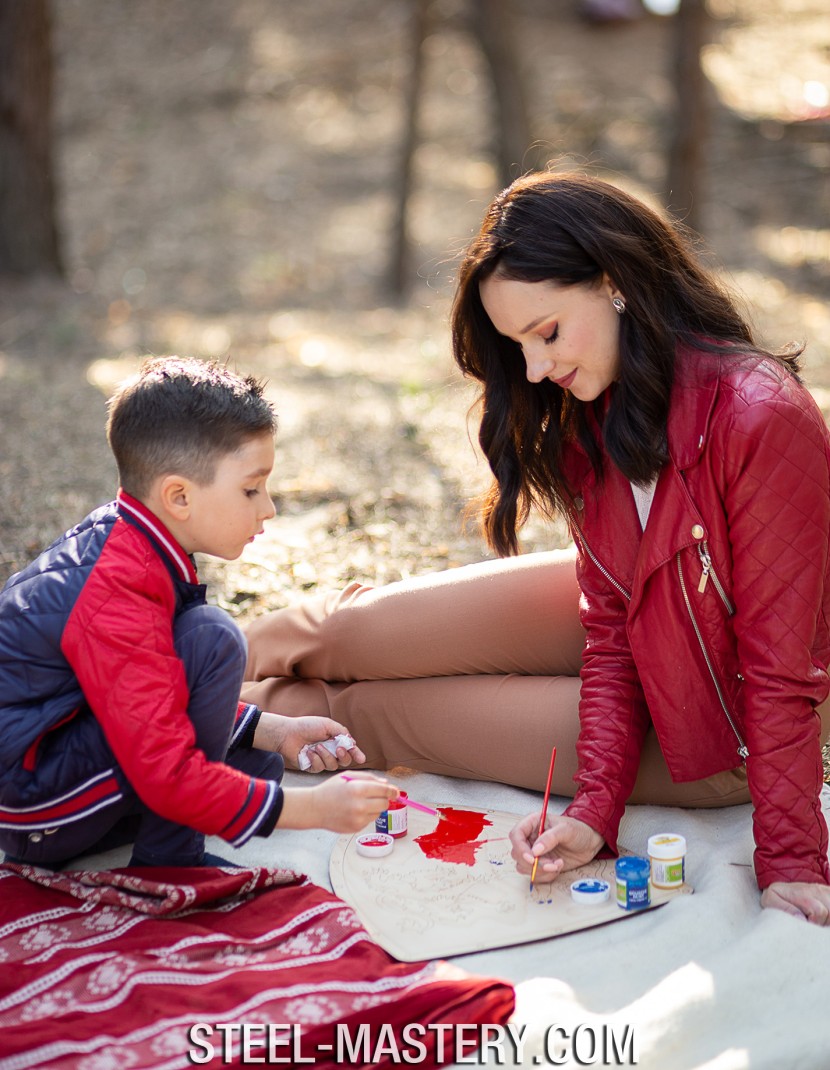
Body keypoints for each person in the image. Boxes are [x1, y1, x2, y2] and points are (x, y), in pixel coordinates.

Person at [243, 172, 830, 925]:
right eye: (517, 344)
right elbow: (614, 634)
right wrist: (597, 802)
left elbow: (783, 671)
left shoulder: (761, 416)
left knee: (374, 712)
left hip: (724, 717)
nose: (534, 369)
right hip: (652, 620)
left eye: (546, 332)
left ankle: (185, 724)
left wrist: (786, 860)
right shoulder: (597, 403)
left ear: (615, 283)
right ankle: (172, 657)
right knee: (347, 632)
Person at [0, 356, 397, 870]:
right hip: (34, 805)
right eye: (251, 489)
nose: (269, 508)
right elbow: (162, 765)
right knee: (214, 639)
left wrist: (269, 729)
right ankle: (170, 862)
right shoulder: (117, 588)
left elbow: (143, 690)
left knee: (257, 762)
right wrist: (310, 810)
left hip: (64, 764)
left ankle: (176, 824)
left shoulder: (135, 540)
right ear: (179, 496)